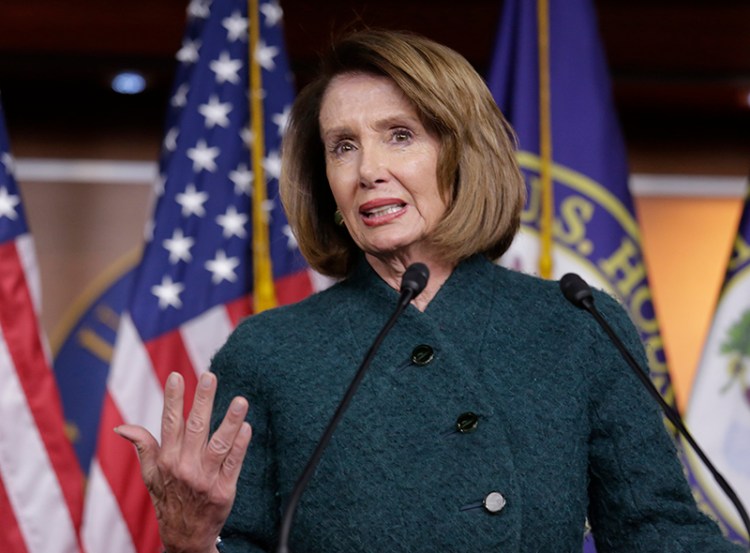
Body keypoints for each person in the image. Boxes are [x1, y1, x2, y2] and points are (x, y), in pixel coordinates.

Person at [116, 29, 746, 552]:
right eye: (342, 147)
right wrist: (188, 541)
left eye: (400, 134)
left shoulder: (576, 325)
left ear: (461, 155)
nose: (368, 171)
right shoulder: (269, 352)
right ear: (325, 184)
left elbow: (658, 531)